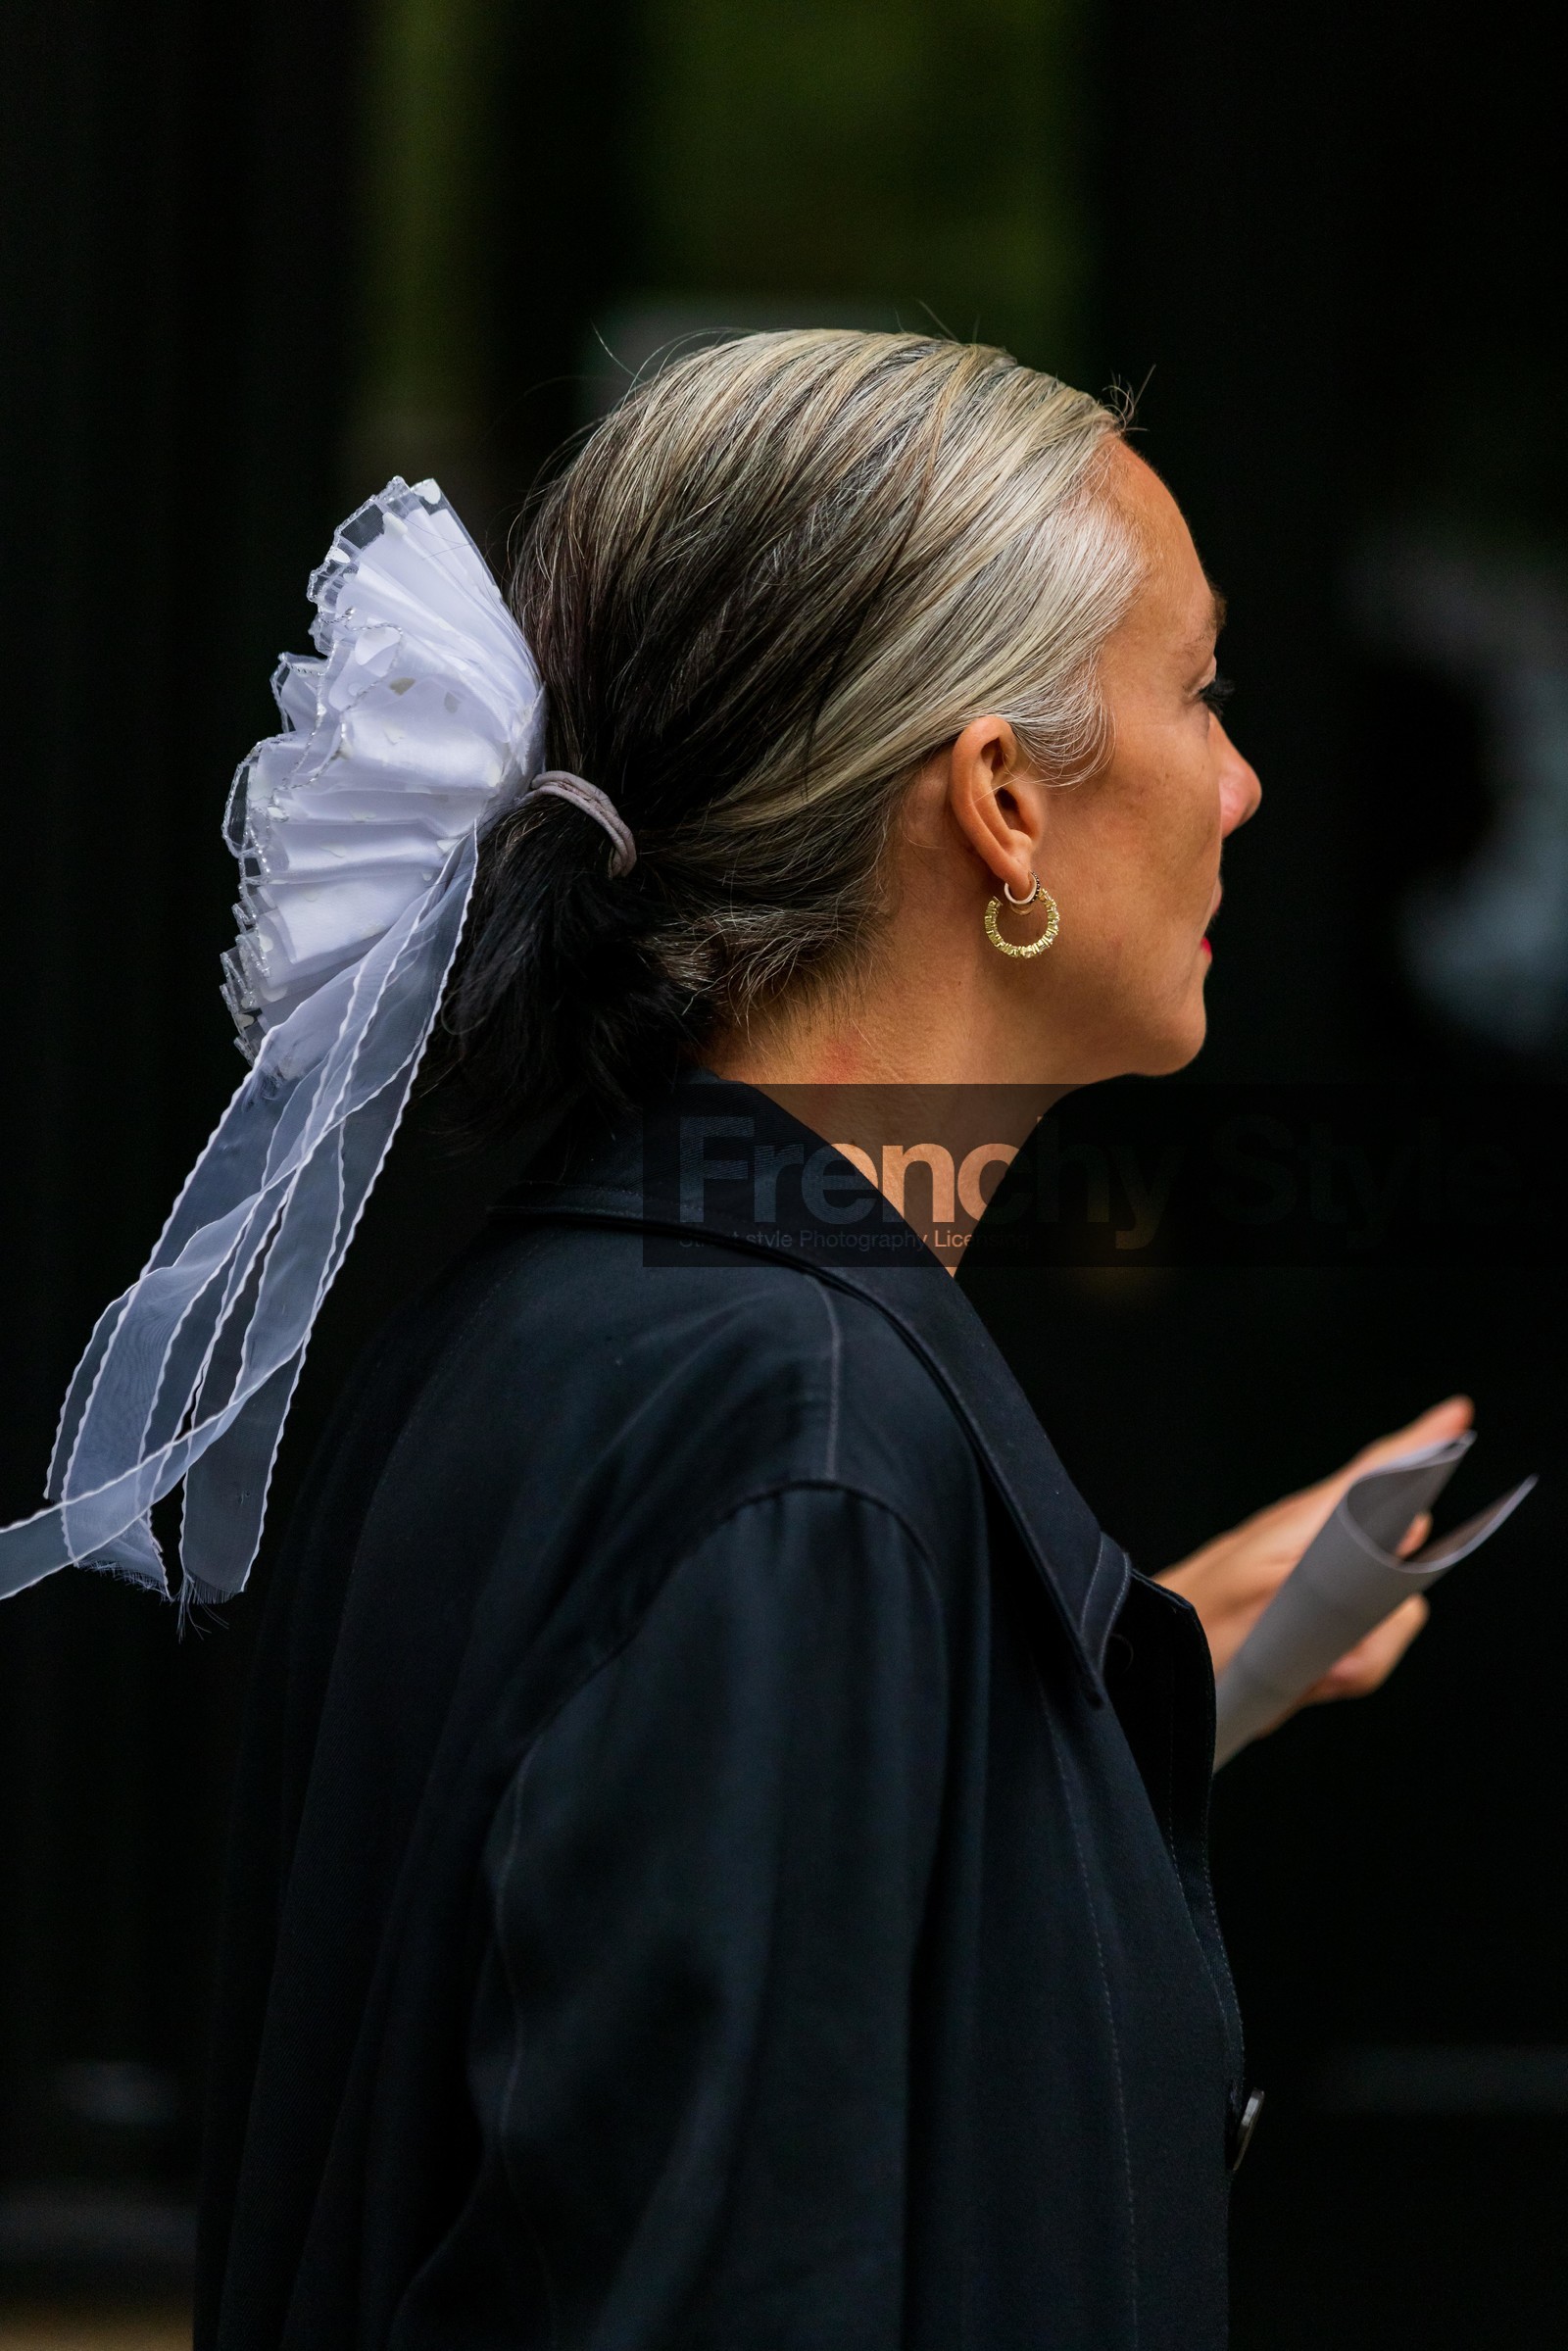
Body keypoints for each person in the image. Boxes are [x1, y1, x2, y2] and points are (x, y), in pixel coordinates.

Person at [3, 329, 1452, 2348]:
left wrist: (1140, 1677)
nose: (1240, 776)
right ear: (1000, 806)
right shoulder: (800, 1440)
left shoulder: (544, 1336)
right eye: (1195, 689)